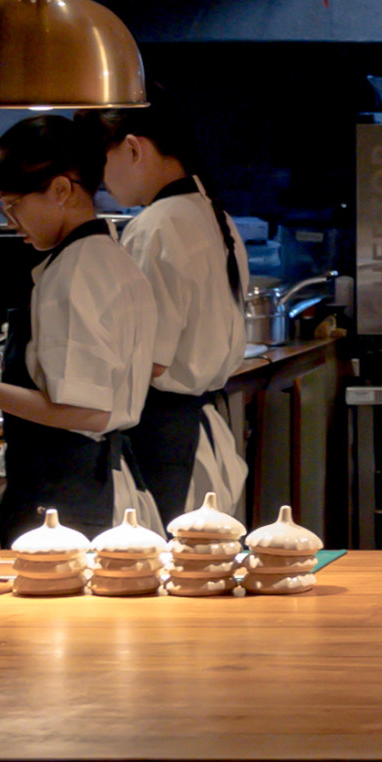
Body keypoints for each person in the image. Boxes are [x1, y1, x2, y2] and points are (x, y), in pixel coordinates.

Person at [0, 113, 148, 536]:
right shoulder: (101, 256)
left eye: (13, 204)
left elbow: (87, 411)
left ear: (60, 190)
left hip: (68, 494)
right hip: (85, 480)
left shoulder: (76, 272)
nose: (8, 220)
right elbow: (67, 389)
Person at [98, 106, 249, 526]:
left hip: (163, 434)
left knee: (160, 570)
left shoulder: (156, 225)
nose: (101, 182)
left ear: (132, 149)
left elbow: (151, 359)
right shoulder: (212, 214)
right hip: (200, 423)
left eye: (101, 163)